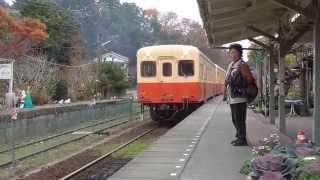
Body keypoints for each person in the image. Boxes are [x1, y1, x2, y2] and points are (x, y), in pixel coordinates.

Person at [223, 44, 255, 146]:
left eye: (235, 52)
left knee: (239, 119)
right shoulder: (231, 65)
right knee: (234, 119)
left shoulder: (242, 65)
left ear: (239, 53)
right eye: (231, 52)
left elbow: (249, 79)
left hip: (239, 97)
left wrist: (240, 81)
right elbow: (227, 80)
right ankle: (239, 136)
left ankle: (242, 139)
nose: (233, 54)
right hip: (232, 97)